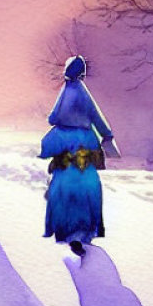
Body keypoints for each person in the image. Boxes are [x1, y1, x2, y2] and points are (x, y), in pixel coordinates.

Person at [40, 55, 117, 258]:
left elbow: (53, 117)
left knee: (62, 187)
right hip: (84, 144)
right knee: (88, 188)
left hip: (64, 144)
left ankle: (67, 229)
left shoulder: (66, 92)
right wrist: (107, 134)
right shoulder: (83, 93)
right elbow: (96, 117)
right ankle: (84, 231)